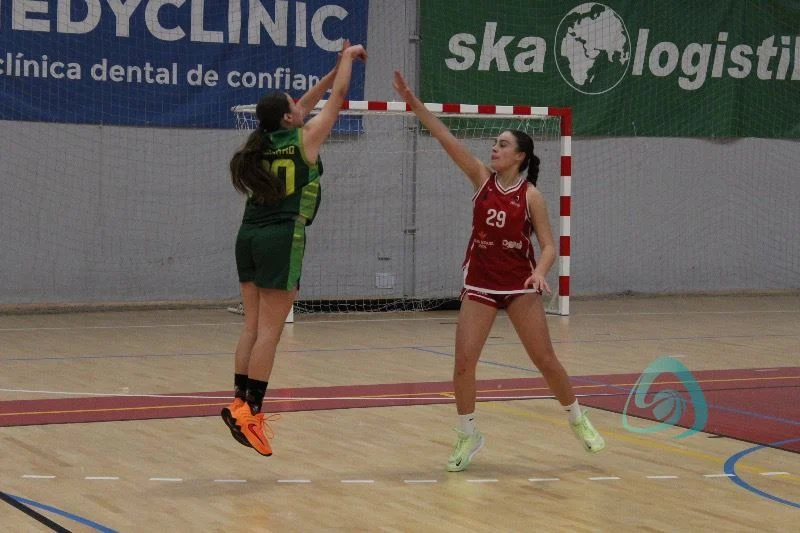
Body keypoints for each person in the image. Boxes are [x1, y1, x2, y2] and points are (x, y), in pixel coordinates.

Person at [392, 71, 605, 471]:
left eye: (503, 144)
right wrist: (414, 103)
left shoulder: (532, 196)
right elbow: (445, 137)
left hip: (520, 285)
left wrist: (540, 272)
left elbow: (549, 246)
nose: (494, 148)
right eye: (494, 143)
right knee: (463, 363)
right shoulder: (481, 179)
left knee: (545, 360)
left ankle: (578, 418)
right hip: (480, 284)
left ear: (519, 156)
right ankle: (467, 434)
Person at [221, 42, 367, 456]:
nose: (300, 105)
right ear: (289, 117)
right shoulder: (305, 138)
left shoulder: (262, 141)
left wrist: (335, 67)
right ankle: (252, 413)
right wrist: (347, 61)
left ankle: (238, 402)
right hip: (281, 237)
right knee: (271, 331)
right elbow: (338, 97)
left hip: (248, 236)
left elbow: (307, 102)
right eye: (294, 104)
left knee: (251, 327)